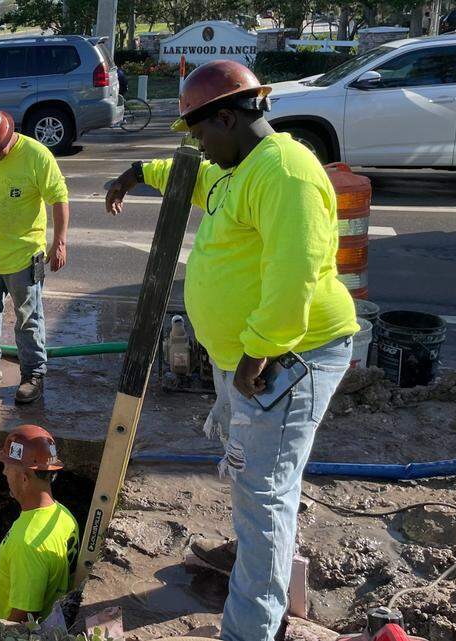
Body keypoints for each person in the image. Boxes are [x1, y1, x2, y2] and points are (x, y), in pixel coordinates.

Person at [104, 60, 359, 641]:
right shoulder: (237, 164)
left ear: (227, 117)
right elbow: (192, 177)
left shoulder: (285, 173)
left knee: (265, 496)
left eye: (200, 133)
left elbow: (293, 275)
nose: (197, 146)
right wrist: (138, 172)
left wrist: (256, 355)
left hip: (286, 361)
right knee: (251, 475)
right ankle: (250, 554)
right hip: (248, 359)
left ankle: (250, 627)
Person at [0, 108, 71, 404]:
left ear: (6, 140)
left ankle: (33, 374)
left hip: (23, 255)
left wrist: (59, 242)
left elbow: (58, 198)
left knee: (28, 318)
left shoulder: (36, 156)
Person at [0, 425, 79, 622]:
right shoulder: (63, 515)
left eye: (8, 466)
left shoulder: (27, 544)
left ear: (24, 478)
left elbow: (22, 620)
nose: (4, 472)